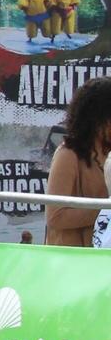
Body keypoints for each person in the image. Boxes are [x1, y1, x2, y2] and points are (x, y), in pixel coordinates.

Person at [46, 77, 111, 248]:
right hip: (71, 261)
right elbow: (55, 217)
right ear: (97, 119)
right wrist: (105, 211)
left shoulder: (108, 152)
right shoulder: (67, 155)